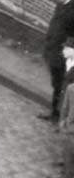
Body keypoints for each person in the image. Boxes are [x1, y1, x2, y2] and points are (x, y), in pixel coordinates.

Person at [59, 38, 74, 178]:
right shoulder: (68, 62)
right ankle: (65, 161)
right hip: (67, 102)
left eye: (66, 48)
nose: (63, 51)